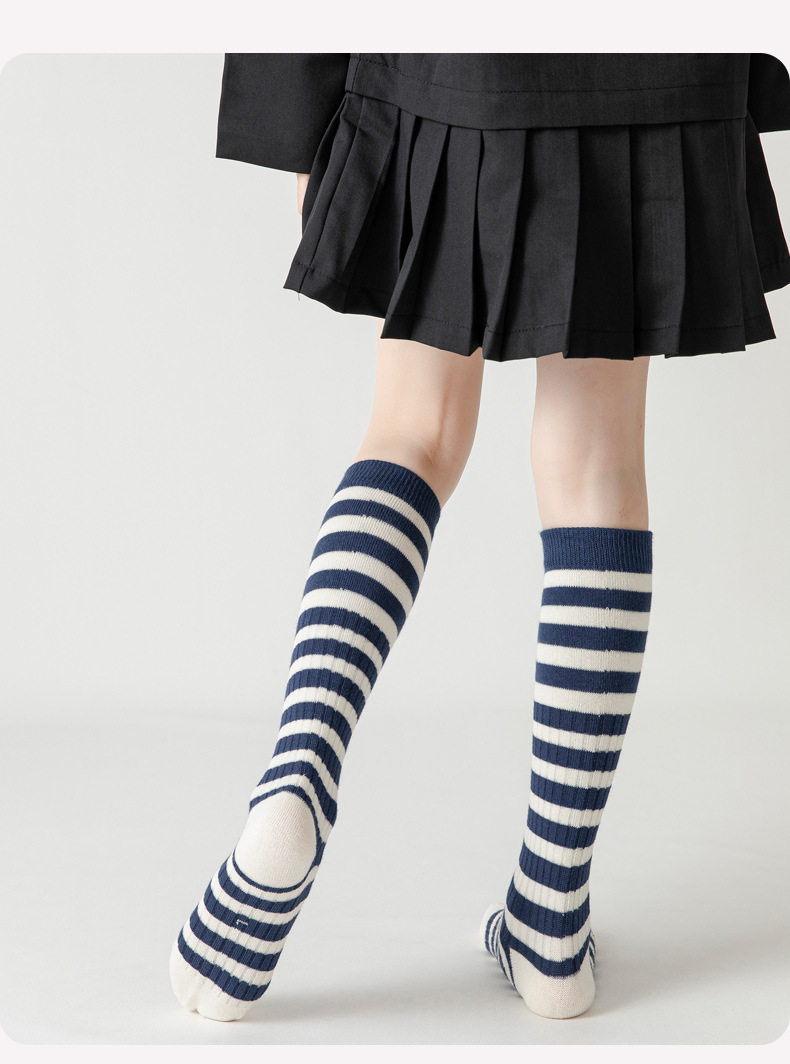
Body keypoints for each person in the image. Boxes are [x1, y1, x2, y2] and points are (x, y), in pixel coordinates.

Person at [169, 53, 790, 1022]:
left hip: (453, 61)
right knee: (597, 460)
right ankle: (551, 913)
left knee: (412, 430)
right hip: (653, 64)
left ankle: (298, 775)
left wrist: (300, 124)